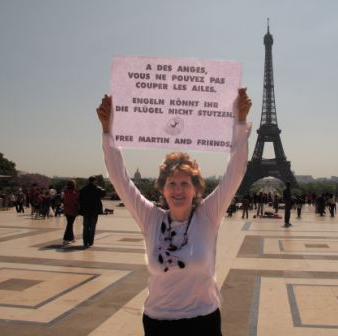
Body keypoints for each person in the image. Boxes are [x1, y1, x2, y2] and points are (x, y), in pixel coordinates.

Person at [97, 87, 251, 336]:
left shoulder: (208, 216)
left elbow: (235, 172)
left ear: (196, 189)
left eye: (184, 183)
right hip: (158, 323)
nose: (178, 190)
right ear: (163, 189)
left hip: (203, 321)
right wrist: (108, 130)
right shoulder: (150, 218)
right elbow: (120, 180)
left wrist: (240, 122)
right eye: (172, 183)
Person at [78, 176, 106, 248]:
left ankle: (85, 241)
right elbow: (103, 194)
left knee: (86, 226)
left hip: (86, 210)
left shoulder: (84, 189)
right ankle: (90, 241)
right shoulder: (97, 189)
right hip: (94, 210)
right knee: (92, 227)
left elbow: (80, 198)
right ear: (94, 181)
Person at [62, 180, 79, 245]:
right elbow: (76, 202)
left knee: (70, 224)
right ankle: (66, 239)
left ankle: (72, 238)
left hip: (66, 210)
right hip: (72, 210)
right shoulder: (74, 194)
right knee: (69, 225)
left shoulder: (65, 192)